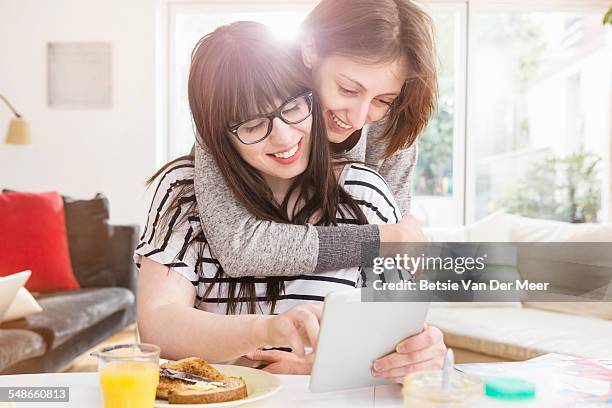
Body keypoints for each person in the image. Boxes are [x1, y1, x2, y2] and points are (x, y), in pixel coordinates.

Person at [136, 21, 445, 382]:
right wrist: (267, 330)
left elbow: (395, 328)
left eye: (294, 108)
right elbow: (159, 322)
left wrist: (411, 352)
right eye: (253, 126)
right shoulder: (183, 192)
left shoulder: (365, 191)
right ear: (217, 137)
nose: (283, 138)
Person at [192, 0, 436, 279]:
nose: (358, 119)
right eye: (347, 89)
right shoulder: (245, 115)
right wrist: (376, 241)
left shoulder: (390, 127)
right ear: (310, 50)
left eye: (383, 100)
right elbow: (240, 247)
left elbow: (398, 255)